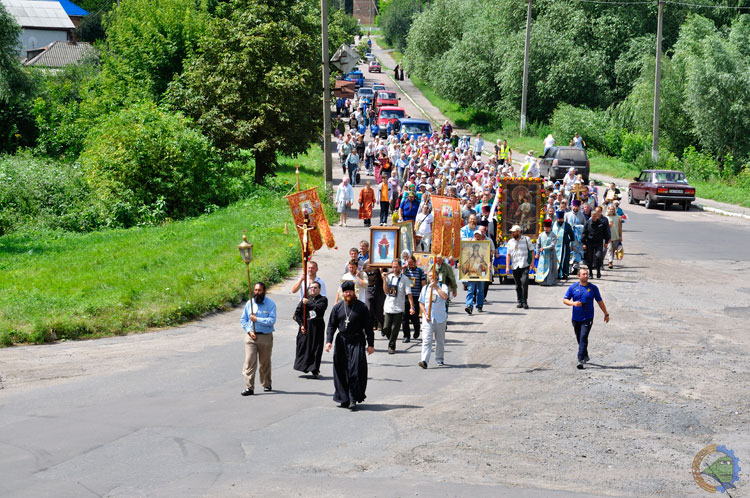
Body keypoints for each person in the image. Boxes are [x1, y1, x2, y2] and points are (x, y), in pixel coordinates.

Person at [325, 281, 374, 410]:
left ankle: (353, 398)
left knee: (355, 369)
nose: (348, 294)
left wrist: (371, 344)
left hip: (357, 340)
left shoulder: (362, 307)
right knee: (340, 370)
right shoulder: (337, 308)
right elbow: (331, 326)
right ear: (343, 293)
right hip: (341, 341)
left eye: (350, 291)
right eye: (346, 292)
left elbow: (368, 327)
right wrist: (328, 341)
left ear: (354, 292)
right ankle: (344, 398)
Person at [563, 268, 610, 369]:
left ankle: (580, 359)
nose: (586, 276)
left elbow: (600, 301)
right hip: (576, 318)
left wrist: (606, 314)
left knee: (583, 337)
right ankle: (585, 354)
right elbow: (565, 300)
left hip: (588, 317)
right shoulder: (573, 287)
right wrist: (573, 303)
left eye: (587, 274)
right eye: (583, 274)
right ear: (578, 276)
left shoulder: (593, 288)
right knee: (579, 338)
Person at [240, 282, 277, 396]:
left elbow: (271, 320)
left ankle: (266, 383)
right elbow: (243, 320)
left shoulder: (270, 304)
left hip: (265, 336)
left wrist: (257, 319)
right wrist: (249, 331)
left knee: (264, 362)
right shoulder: (249, 303)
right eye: (255, 290)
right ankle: (249, 387)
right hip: (251, 337)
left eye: (259, 290)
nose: (257, 292)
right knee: (250, 362)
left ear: (264, 291)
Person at [293, 281, 329, 377]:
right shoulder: (305, 299)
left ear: (319, 289)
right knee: (303, 346)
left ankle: (314, 369)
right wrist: (301, 325)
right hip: (306, 326)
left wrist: (308, 303)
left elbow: (318, 308)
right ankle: (304, 366)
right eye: (311, 288)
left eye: (315, 288)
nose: (313, 289)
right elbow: (297, 314)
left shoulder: (323, 299)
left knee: (316, 348)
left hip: (317, 327)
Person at [417, 271, 450, 369]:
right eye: (429, 276)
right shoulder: (425, 288)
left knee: (439, 340)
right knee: (426, 340)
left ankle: (439, 358)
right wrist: (425, 313)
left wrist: (436, 287)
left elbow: (445, 297)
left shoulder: (443, 286)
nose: (430, 278)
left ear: (437, 277)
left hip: (440, 318)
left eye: (432, 276)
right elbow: (421, 303)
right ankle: (424, 360)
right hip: (428, 318)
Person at [381, 260, 414, 354]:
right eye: (393, 267)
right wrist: (384, 279)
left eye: (396, 266)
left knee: (395, 329)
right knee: (386, 328)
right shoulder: (389, 276)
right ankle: (392, 339)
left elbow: (409, 294)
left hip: (399, 308)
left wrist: (412, 307)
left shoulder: (405, 279)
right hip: (388, 306)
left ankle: (391, 346)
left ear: (400, 267)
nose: (394, 268)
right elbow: (386, 291)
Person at [505, 225, 535, 309]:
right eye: (511, 232)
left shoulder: (526, 239)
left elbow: (532, 251)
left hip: (524, 264)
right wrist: (507, 267)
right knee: (518, 285)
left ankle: (525, 301)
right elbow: (508, 255)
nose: (512, 233)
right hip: (515, 265)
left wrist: (532, 262)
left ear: (518, 231)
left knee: (524, 283)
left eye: (514, 232)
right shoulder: (510, 242)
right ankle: (519, 301)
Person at [402, 255, 426, 343]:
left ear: (415, 262)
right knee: (404, 317)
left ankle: (416, 329)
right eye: (409, 264)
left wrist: (423, 295)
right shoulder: (406, 271)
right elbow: (400, 280)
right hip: (406, 296)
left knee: (414, 316)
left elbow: (423, 283)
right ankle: (406, 336)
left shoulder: (420, 271)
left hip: (416, 296)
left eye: (412, 264)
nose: (410, 266)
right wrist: (403, 270)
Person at [582, 209, 610, 279]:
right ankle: (590, 272)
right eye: (593, 216)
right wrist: (584, 243)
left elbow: (606, 233)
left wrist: (606, 242)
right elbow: (584, 234)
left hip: (598, 243)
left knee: (599, 256)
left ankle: (598, 270)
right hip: (590, 243)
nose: (594, 217)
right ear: (591, 216)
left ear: (597, 216)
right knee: (590, 258)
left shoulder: (601, 223)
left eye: (595, 216)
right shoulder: (587, 223)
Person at [552, 211, 575, 280]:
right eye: (559, 219)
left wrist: (572, 245)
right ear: (557, 218)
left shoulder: (567, 225)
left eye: (561, 219)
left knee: (564, 259)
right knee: (555, 259)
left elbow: (572, 235)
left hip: (564, 245)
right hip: (555, 246)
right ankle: (556, 273)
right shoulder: (554, 225)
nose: (560, 220)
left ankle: (564, 273)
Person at [534, 219, 558, 286]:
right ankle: (542, 281)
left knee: (550, 268)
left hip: (550, 254)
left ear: (550, 228)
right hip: (543, 255)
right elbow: (538, 244)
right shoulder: (541, 235)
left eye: (547, 228)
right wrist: (537, 253)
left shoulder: (553, 235)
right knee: (542, 268)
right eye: (545, 227)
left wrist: (544, 248)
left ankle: (550, 281)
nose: (546, 229)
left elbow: (553, 245)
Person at [605, 204, 622, 269]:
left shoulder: (617, 217)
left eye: (613, 209)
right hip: (608, 236)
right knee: (610, 248)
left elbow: (620, 227)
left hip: (616, 236)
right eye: (610, 209)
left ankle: (611, 260)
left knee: (614, 249)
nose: (611, 210)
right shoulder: (606, 217)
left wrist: (620, 236)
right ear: (608, 209)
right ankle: (610, 262)